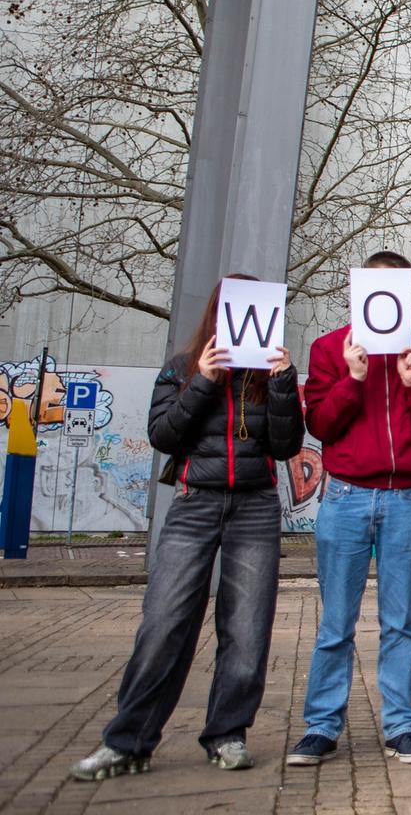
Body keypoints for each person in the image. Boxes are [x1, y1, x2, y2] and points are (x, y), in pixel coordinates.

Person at [71, 275, 305, 780]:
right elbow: (163, 434)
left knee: (246, 628)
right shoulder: (181, 366)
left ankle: (227, 735)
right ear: (217, 314)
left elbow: (286, 447)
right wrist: (203, 379)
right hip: (194, 503)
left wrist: (284, 382)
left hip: (256, 506)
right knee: (163, 623)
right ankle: (128, 741)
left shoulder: (269, 375)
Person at [289, 252, 411, 769]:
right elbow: (321, 425)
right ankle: (321, 727)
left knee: (400, 621)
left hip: (405, 497)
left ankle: (402, 726)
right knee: (336, 621)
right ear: (356, 292)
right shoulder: (329, 348)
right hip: (345, 497)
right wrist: (353, 377)